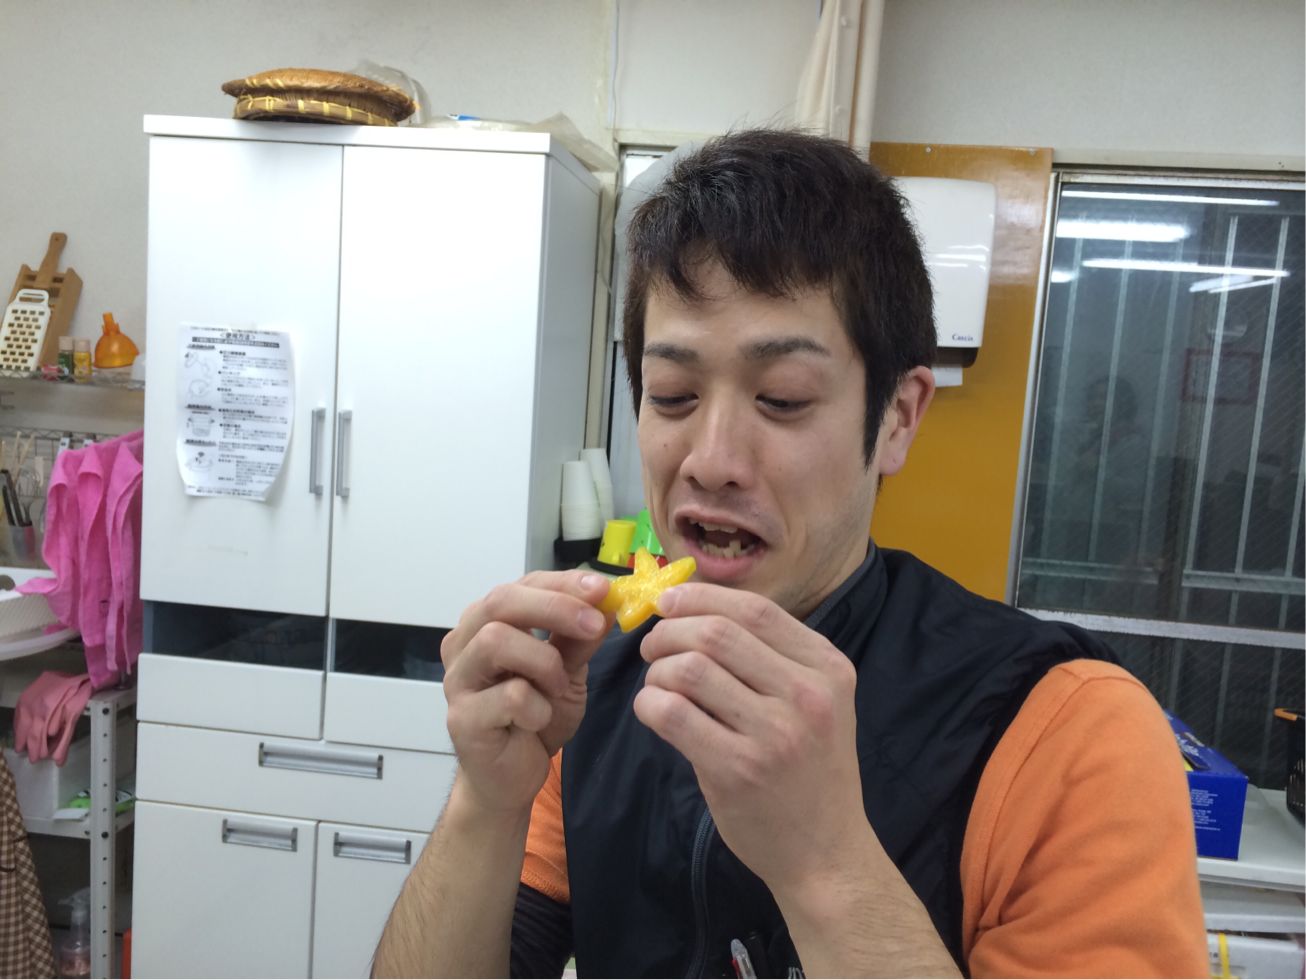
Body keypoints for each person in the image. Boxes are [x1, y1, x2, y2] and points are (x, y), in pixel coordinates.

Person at [373, 129, 1208, 979]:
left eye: (782, 399)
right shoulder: (593, 695)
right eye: (673, 395)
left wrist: (826, 863)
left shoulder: (1068, 731)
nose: (711, 460)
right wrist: (486, 801)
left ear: (897, 417)